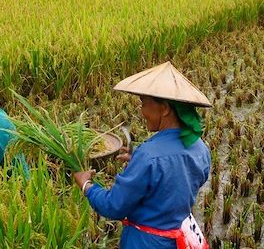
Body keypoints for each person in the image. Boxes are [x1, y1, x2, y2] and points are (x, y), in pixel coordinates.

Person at [73, 61, 212, 249]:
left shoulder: (148, 156)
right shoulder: (200, 148)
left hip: (146, 243)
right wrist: (139, 162)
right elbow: (181, 178)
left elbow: (113, 206)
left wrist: (86, 185)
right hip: (179, 239)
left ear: (165, 108)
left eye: (144, 104)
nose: (141, 112)